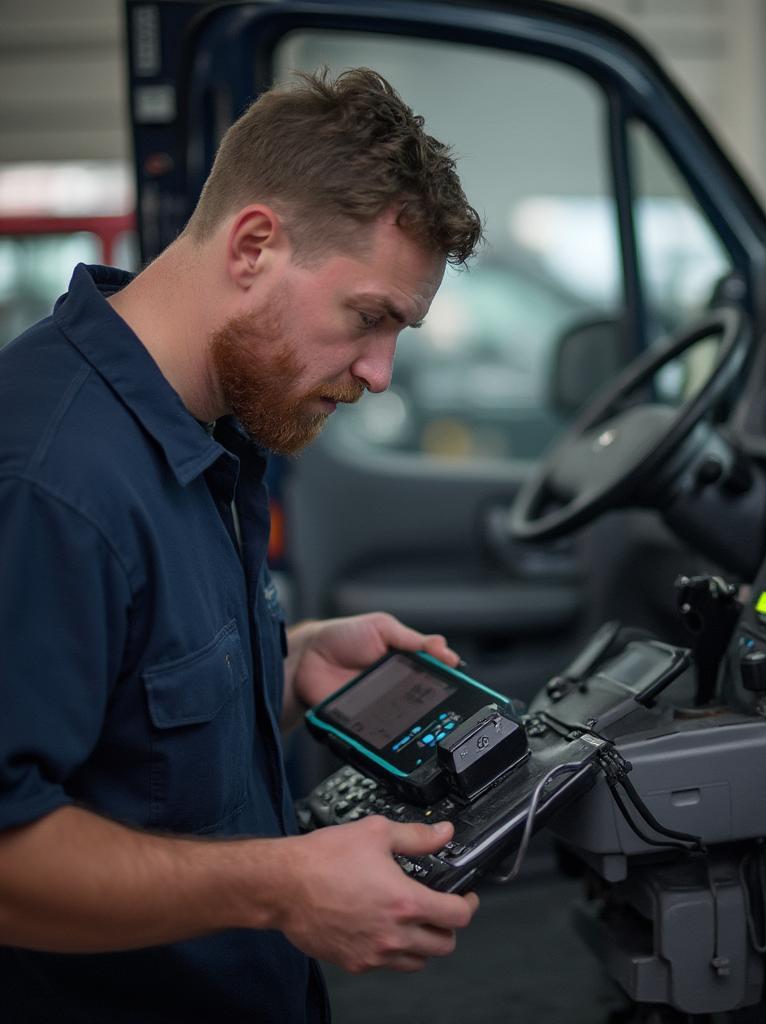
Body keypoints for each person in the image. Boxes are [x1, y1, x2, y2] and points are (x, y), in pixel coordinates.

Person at [0, 68, 483, 1023]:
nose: (381, 374)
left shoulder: (209, 427)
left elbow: (122, 722)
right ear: (255, 244)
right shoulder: (51, 485)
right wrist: (284, 887)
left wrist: (286, 662)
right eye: (370, 316)